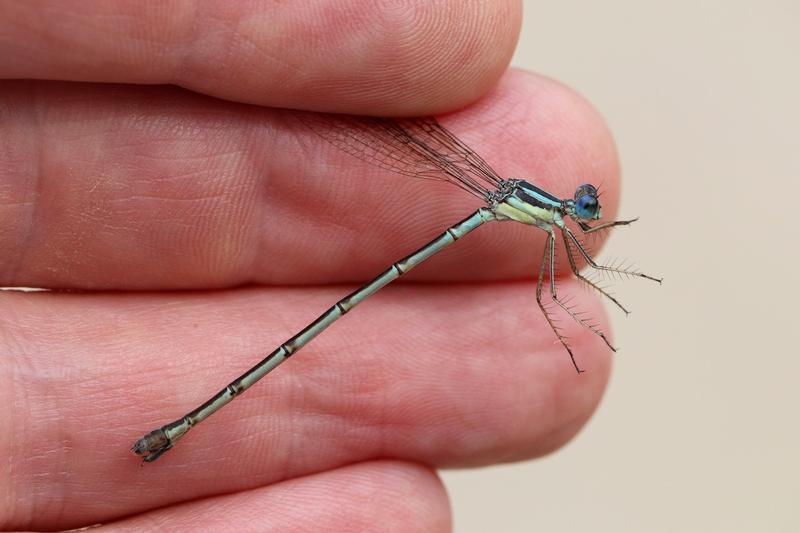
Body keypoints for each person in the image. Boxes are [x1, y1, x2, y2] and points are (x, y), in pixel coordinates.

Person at [0, 1, 620, 530]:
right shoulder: (549, 218)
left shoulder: (552, 223)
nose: (583, 215)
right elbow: (551, 290)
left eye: (584, 211)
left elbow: (554, 275)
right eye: (583, 210)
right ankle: (179, 428)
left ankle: (175, 431)